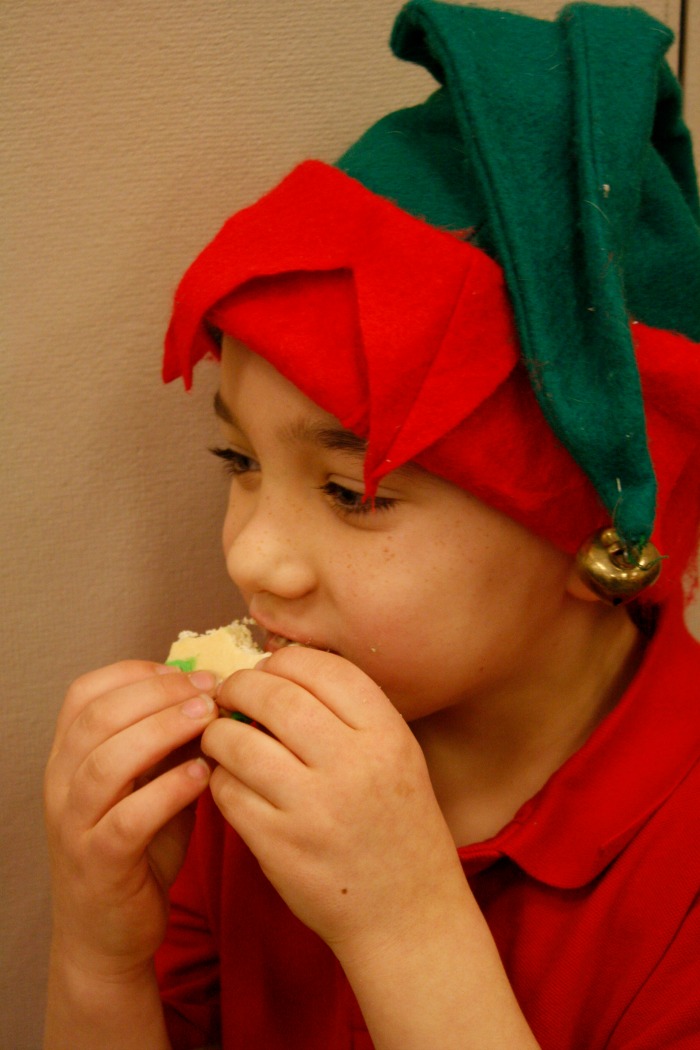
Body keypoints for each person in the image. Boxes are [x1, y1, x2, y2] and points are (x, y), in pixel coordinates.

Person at [44, 3, 700, 1048]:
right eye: (241, 464)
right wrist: (99, 955)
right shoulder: (256, 767)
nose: (253, 557)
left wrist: (405, 931)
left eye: (354, 492)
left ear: (598, 547)